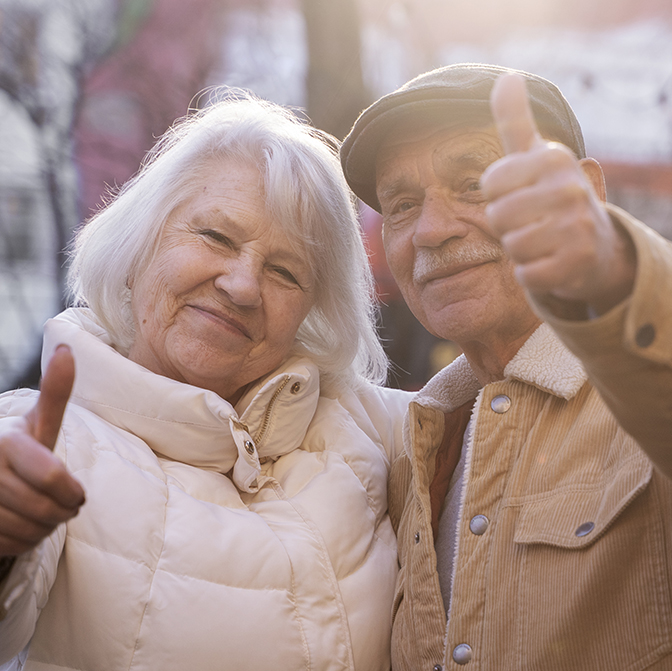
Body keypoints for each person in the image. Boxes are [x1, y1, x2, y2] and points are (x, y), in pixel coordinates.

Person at [339, 63, 672, 669]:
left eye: (474, 183)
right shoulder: (415, 447)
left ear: (589, 194)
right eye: (402, 205)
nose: (431, 230)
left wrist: (612, 269)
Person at [0, 94, 411, 670]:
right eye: (217, 237)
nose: (243, 285)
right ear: (142, 238)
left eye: (285, 271)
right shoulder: (37, 440)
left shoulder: (373, 429)